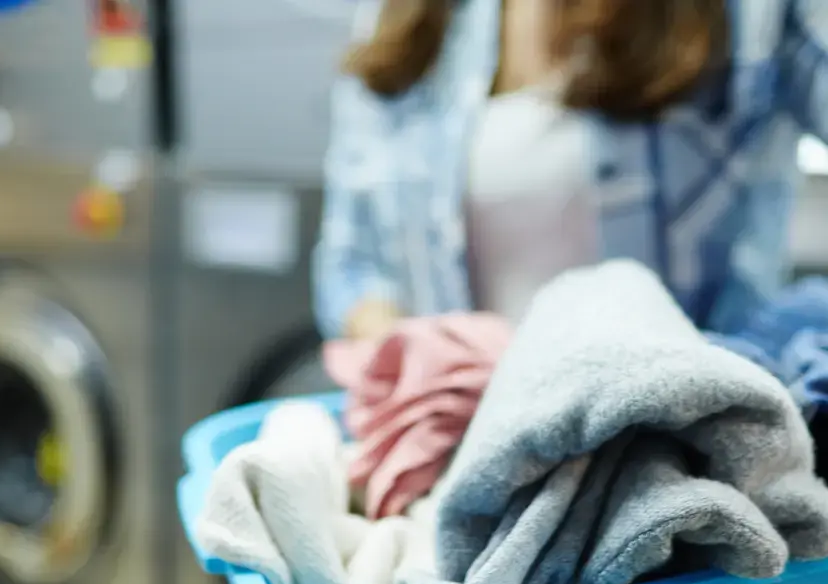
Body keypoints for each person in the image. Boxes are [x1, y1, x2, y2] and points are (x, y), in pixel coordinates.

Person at [311, 0, 828, 340]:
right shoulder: (408, 18)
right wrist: (417, 363)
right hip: (460, 459)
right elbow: (352, 264)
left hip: (674, 455)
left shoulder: (749, 15)